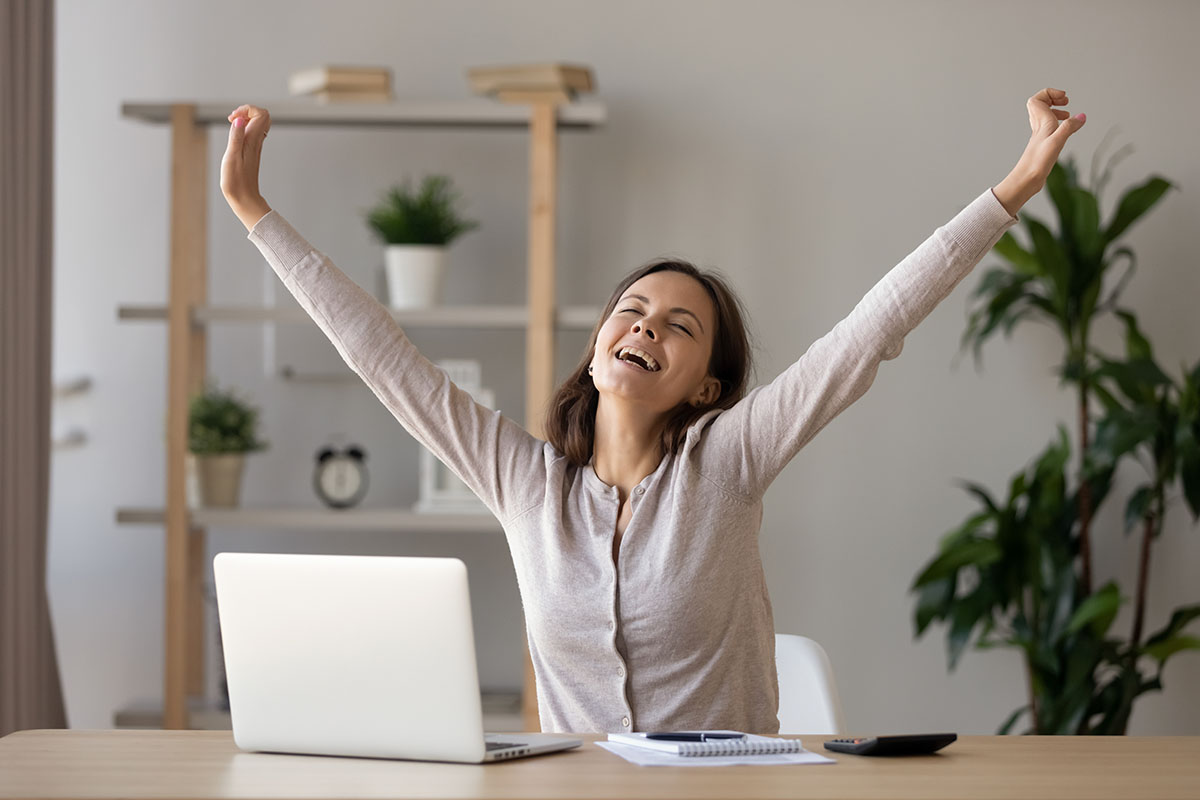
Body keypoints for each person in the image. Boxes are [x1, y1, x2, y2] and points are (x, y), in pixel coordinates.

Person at [219, 88, 1086, 734]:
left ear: (705, 385)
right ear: (598, 346)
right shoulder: (526, 483)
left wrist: (1012, 187)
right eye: (630, 311)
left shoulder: (731, 458)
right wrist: (254, 211)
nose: (645, 327)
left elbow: (871, 332)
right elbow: (384, 358)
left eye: (680, 327)